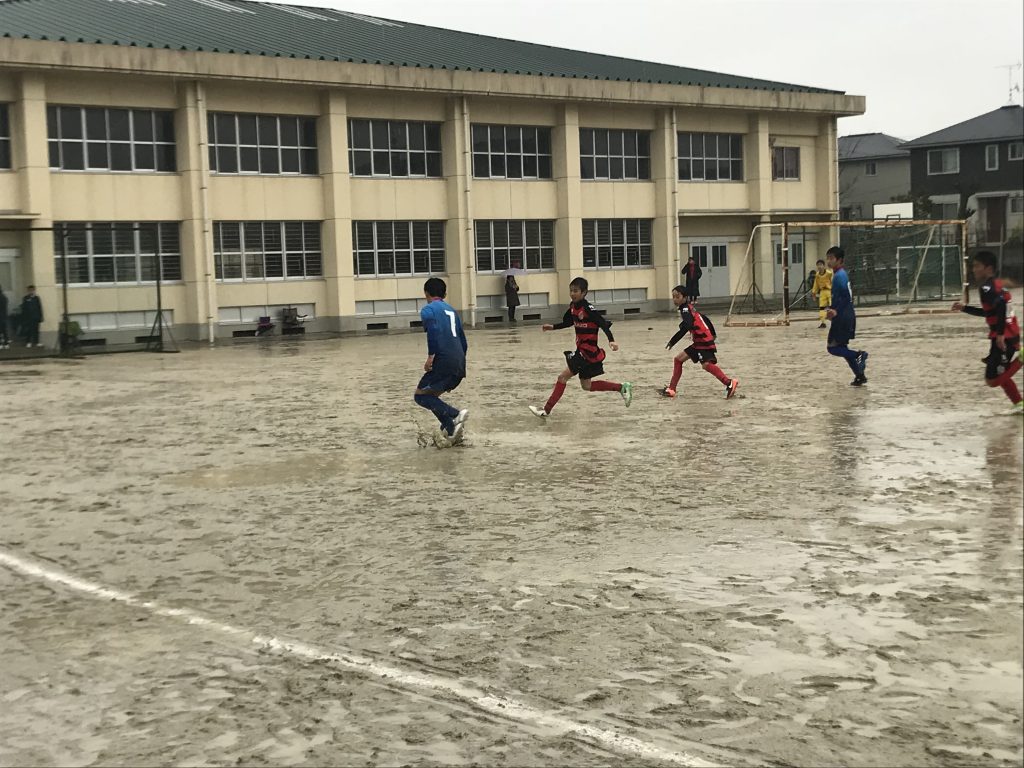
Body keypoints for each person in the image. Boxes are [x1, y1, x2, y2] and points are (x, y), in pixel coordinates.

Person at [529, 276, 632, 418]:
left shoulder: (588, 308)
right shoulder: (572, 307)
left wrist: (611, 340)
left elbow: (602, 323)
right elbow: (568, 322)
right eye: (571, 290)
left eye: (576, 291)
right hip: (584, 352)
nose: (572, 293)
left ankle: (545, 410)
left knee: (562, 377)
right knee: (586, 386)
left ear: (584, 293)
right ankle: (622, 387)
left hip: (587, 352)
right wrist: (552, 327)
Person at [952, 250, 1023, 415]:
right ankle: (1019, 403)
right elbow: (990, 312)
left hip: (1004, 337)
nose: (973, 270)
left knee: (992, 379)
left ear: (988, 268)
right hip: (1008, 334)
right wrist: (965, 308)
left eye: (977, 266)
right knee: (1001, 371)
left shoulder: (986, 287)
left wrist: (999, 334)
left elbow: (1000, 307)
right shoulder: (996, 285)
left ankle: (1021, 359)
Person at [414, 277, 469, 444]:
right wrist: (457, 365)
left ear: (426, 293)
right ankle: (451, 430)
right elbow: (464, 342)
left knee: (420, 396)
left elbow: (433, 332)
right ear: (444, 293)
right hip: (459, 361)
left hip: (443, 359)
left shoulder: (428, 310)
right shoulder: (452, 311)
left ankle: (454, 415)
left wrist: (431, 357)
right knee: (431, 396)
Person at [659, 286, 739, 399]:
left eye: (678, 297)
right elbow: (703, 318)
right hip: (699, 342)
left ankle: (729, 382)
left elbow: (687, 325)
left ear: (684, 297)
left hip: (703, 341)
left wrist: (673, 341)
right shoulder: (689, 308)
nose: (675, 299)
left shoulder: (685, 309)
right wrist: (713, 333)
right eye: (673, 297)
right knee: (678, 360)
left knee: (706, 365)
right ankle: (672, 389)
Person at [824, 246, 868, 386]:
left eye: (831, 258)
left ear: (840, 260)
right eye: (828, 258)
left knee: (833, 348)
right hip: (844, 316)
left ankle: (859, 355)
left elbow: (847, 297)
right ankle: (860, 376)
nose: (828, 261)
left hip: (843, 318)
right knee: (843, 349)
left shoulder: (840, 276)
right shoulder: (838, 275)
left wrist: (836, 310)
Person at [811, 259, 833, 329]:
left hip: (829, 291)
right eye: (818, 265)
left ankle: (835, 322)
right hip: (822, 292)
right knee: (822, 308)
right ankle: (823, 322)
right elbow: (816, 284)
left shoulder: (829, 273)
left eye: (821, 265)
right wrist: (814, 293)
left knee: (831, 306)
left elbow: (833, 281)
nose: (819, 267)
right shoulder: (817, 275)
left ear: (824, 266)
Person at [0, 284, 9, 350]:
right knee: (4, 330)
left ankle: (2, 343)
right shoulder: (4, 297)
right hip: (3, 316)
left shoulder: (2, 297)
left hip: (2, 316)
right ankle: (6, 343)